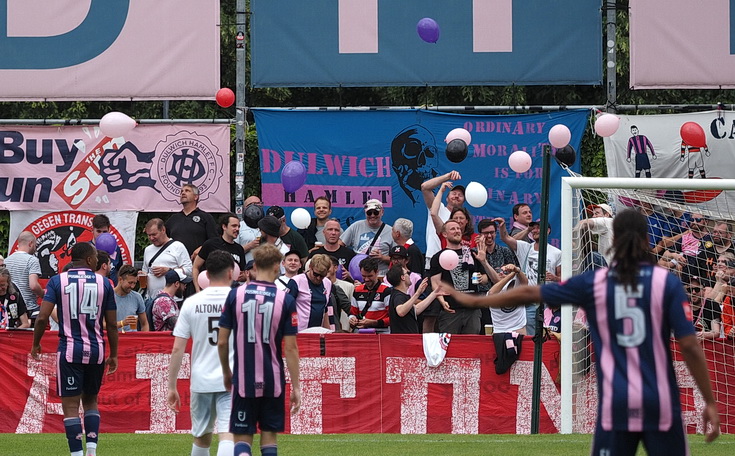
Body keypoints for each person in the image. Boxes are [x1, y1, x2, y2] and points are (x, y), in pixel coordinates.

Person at [439, 209, 720, 455]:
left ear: (614, 241)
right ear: (647, 241)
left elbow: (530, 292)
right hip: (660, 400)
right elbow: (690, 345)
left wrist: (478, 301)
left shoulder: (596, 281)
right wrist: (708, 400)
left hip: (617, 400)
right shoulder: (666, 283)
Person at [31, 242, 118, 456]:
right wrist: (114, 354)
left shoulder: (57, 281)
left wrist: (36, 343)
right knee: (91, 401)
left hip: (69, 350)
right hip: (96, 350)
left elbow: (43, 317)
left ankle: (77, 454)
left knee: (70, 406)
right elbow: (113, 324)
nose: (98, 261)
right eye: (96, 258)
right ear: (89, 260)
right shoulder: (104, 283)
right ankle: (91, 451)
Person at [217, 244, 301, 456]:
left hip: (244, 378)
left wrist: (227, 371)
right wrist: (297, 387)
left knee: (242, 439)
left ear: (254, 266)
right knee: (269, 439)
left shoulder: (235, 295)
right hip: (273, 379)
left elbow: (222, 341)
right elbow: (291, 348)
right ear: (277, 267)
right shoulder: (286, 299)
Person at [168, 251, 235, 456]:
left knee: (202, 437)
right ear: (231, 273)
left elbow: (178, 348)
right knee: (228, 433)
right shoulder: (239, 301)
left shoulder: (192, 302)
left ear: (206, 274)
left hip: (201, 379)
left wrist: (172, 386)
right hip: (232, 377)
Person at [498, 217, 562, 336]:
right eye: (534, 228)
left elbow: (563, 279)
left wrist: (555, 278)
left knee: (547, 334)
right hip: (529, 301)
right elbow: (505, 238)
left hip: (548, 301)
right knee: (530, 335)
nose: (535, 230)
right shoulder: (525, 247)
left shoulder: (556, 253)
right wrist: (502, 227)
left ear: (547, 231)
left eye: (539, 227)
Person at [429, 219, 484, 335]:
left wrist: (481, 278)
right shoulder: (438, 257)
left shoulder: (471, 254)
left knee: (472, 346)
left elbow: (485, 278)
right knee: (450, 348)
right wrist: (442, 301)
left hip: (472, 309)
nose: (457, 231)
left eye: (458, 228)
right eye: (452, 229)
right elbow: (435, 282)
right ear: (444, 234)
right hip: (451, 310)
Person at [421, 170, 465, 270]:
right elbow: (425, 187)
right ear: (446, 198)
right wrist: (447, 177)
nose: (457, 196)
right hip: (434, 257)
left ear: (464, 201)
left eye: (460, 195)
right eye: (454, 193)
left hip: (455, 261)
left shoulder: (463, 218)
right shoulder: (438, 208)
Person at [193, 213, 247, 292]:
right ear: (224, 227)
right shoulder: (210, 244)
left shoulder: (239, 249)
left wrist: (244, 277)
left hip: (231, 294)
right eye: (234, 226)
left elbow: (243, 273)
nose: (237, 229)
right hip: (210, 291)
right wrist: (197, 289)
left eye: (239, 226)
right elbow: (195, 267)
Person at [340, 199, 394, 276]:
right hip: (358, 275)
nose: (372, 215)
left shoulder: (390, 231)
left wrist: (382, 257)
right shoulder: (356, 226)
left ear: (382, 212)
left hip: (381, 276)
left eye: (376, 212)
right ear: (365, 213)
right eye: (369, 213)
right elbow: (339, 245)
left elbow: (399, 260)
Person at [165, 183, 218, 262]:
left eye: (187, 191)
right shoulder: (173, 219)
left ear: (196, 197)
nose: (183, 193)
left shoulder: (206, 217)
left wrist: (202, 249)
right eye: (181, 191)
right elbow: (164, 240)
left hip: (198, 264)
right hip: (176, 266)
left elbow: (214, 240)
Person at [142, 218, 193, 299]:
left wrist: (169, 271)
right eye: (149, 235)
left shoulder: (178, 246)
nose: (151, 238)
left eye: (154, 234)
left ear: (163, 230)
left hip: (174, 300)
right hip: (152, 299)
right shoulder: (147, 250)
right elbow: (145, 271)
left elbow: (189, 270)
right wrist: (142, 275)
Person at [286, 254, 333, 332]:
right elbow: (286, 308)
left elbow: (325, 310)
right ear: (310, 267)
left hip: (318, 331)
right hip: (299, 331)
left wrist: (328, 332)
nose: (318, 278)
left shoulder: (327, 283)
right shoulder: (297, 281)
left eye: (322, 276)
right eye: (316, 274)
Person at [386, 266, 438, 334]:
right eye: (407, 273)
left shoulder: (401, 295)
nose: (409, 275)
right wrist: (417, 294)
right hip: (404, 340)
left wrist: (434, 293)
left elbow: (415, 310)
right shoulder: (398, 296)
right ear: (403, 277)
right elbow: (401, 312)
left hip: (408, 338)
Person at [6, 231, 44, 319]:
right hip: (29, 308)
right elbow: (33, 285)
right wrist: (43, 294)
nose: (35, 248)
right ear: (30, 243)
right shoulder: (32, 260)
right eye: (35, 245)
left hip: (12, 308)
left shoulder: (7, 260)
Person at [349, 257, 392, 332]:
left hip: (381, 333)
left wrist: (374, 323)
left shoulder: (387, 290)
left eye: (370, 276)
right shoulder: (357, 290)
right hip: (361, 333)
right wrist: (352, 319)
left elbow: (393, 318)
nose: (366, 279)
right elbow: (353, 313)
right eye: (363, 276)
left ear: (377, 272)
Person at [113, 264, 149, 333]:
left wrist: (143, 339)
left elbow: (144, 324)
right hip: (114, 338)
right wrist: (122, 323)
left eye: (135, 283)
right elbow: (101, 324)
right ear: (120, 279)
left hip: (133, 339)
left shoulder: (137, 297)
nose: (132, 286)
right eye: (130, 283)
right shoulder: (108, 296)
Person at [91, 214, 123, 285]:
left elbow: (119, 269)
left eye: (104, 232)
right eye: (98, 231)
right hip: (94, 288)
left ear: (109, 230)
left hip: (113, 289)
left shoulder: (116, 248)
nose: (102, 235)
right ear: (92, 230)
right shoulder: (87, 248)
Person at [237, 196, 265, 263]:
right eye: (256, 204)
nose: (259, 206)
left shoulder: (267, 225)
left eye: (260, 203)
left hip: (264, 268)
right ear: (246, 207)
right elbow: (234, 252)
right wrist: (249, 246)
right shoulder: (239, 227)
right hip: (246, 267)